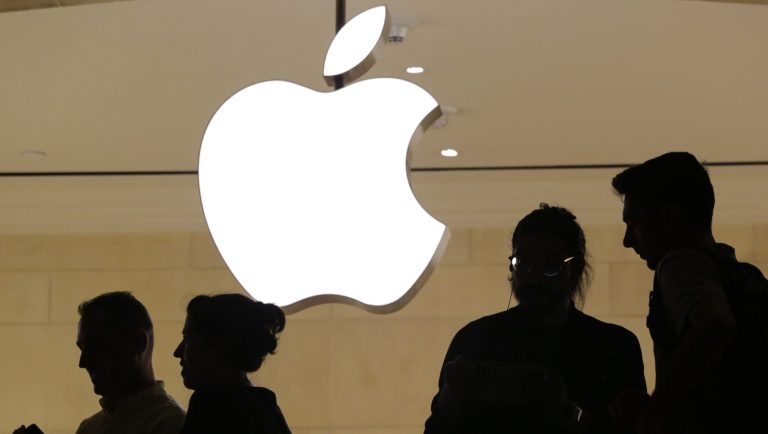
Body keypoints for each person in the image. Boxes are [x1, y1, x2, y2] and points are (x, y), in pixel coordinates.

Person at [424, 204, 646, 434]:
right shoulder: (473, 340)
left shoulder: (614, 347)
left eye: (550, 266)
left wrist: (568, 413)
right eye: (523, 264)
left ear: (576, 269)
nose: (534, 278)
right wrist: (450, 399)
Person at [612, 151, 766, 434]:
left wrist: (653, 413)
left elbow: (715, 324)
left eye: (634, 222)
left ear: (670, 218)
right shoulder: (739, 274)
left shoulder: (678, 264)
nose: (627, 240)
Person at [15, 291, 186, 434]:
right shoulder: (88, 427)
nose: (82, 363)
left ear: (138, 343)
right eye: (82, 349)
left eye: (96, 348)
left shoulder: (173, 426)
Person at [174, 294, 291, 434]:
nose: (177, 352)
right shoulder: (267, 407)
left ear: (217, 347)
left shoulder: (210, 405)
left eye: (188, 338)